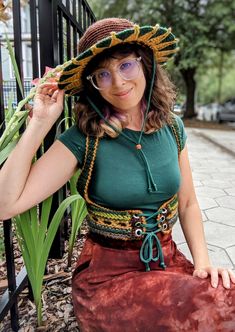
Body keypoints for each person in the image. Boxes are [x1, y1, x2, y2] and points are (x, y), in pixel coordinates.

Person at [0, 17, 235, 331]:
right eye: (103, 74)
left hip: (167, 264)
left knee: (219, 297)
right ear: (92, 85)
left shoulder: (172, 129)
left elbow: (189, 202)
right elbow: (6, 203)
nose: (119, 83)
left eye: (126, 65)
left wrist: (203, 263)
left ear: (144, 63)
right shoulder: (83, 139)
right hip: (109, 279)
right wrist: (39, 124)